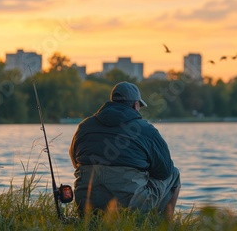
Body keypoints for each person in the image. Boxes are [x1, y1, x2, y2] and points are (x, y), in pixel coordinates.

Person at [69, 81, 181, 219]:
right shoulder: (145, 129)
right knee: (174, 174)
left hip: (86, 205)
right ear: (135, 105)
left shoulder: (84, 126)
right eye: (139, 106)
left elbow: (75, 162)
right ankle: (164, 226)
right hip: (127, 207)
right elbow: (165, 171)